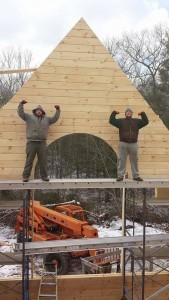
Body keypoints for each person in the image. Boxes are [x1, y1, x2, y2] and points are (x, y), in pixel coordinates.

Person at [18, 100, 61, 182]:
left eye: (40, 111)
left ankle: (44, 176)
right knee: (29, 160)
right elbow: (21, 113)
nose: (39, 111)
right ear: (35, 111)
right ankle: (25, 176)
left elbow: (55, 118)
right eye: (37, 110)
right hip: (31, 143)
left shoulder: (47, 119)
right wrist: (21, 104)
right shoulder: (29, 117)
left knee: (43, 161)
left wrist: (58, 110)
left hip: (42, 143)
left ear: (42, 112)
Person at [109, 108, 149, 181]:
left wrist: (143, 114)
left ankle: (136, 176)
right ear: (125, 113)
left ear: (131, 113)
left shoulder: (136, 121)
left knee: (134, 160)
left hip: (134, 144)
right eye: (127, 112)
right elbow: (111, 121)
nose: (128, 113)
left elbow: (146, 121)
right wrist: (114, 113)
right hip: (123, 144)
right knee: (121, 160)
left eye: (129, 112)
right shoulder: (121, 121)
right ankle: (120, 176)